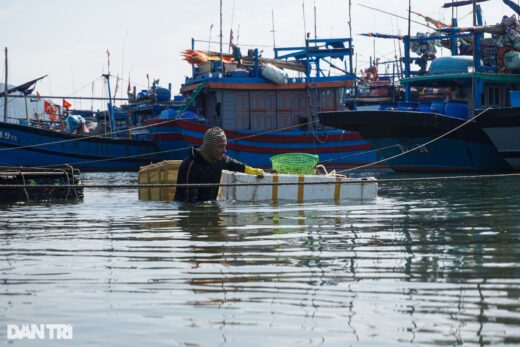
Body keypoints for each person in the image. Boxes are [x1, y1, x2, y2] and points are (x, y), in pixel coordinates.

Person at [174, 127, 264, 203]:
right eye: (221, 146)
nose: (225, 150)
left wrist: (249, 169)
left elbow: (232, 163)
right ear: (210, 146)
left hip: (210, 208)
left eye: (225, 146)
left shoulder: (219, 159)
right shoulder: (190, 166)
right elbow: (187, 201)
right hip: (190, 213)